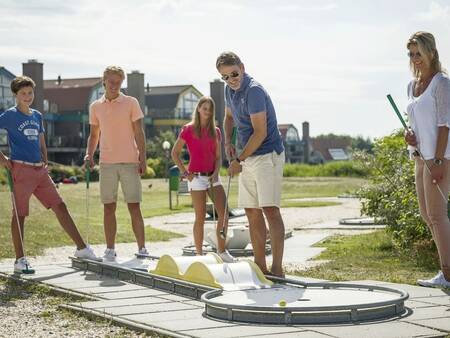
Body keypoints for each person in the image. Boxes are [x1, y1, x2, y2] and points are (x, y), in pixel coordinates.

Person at [0, 76, 99, 273]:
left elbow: (41, 139)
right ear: (15, 95)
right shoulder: (9, 116)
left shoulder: (37, 115)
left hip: (40, 171)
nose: (27, 96)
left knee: (60, 206)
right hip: (20, 169)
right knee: (19, 215)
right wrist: (2, 158)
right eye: (23, 93)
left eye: (30, 92)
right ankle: (20, 260)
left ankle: (82, 248)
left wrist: (45, 158)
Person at [216, 52, 286, 276]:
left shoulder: (254, 91)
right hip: (247, 156)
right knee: (252, 212)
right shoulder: (229, 90)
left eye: (234, 74)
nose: (231, 80)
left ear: (242, 68)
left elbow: (260, 132)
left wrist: (238, 160)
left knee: (270, 210)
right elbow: (228, 117)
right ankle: (260, 267)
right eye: (225, 77)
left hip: (267, 155)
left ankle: (276, 269)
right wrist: (228, 141)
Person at [85, 66, 148, 261]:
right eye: (111, 81)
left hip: (130, 161)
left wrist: (143, 158)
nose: (114, 85)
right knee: (108, 207)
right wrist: (89, 154)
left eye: (118, 82)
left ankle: (142, 248)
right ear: (104, 80)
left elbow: (139, 132)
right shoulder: (95, 106)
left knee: (134, 206)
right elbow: (94, 134)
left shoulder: (131, 102)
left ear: (122, 83)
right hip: (107, 163)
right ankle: (110, 249)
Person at [404, 31, 450, 288]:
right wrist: (408, 135)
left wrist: (440, 161)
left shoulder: (442, 83)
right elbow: (415, 124)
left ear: (430, 52)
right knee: (426, 214)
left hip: (439, 157)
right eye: (411, 54)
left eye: (418, 52)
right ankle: (445, 270)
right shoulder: (412, 85)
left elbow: (445, 125)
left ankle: (448, 273)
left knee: (437, 214)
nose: (415, 58)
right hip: (420, 157)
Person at [171, 96, 236, 263]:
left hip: (213, 177)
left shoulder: (216, 131)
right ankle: (199, 256)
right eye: (204, 108)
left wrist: (215, 173)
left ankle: (222, 251)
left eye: (210, 109)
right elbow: (174, 153)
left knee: (224, 213)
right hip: (196, 178)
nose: (207, 112)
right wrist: (186, 173)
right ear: (199, 108)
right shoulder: (187, 129)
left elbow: (218, 157)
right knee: (199, 217)